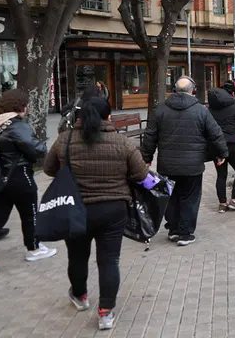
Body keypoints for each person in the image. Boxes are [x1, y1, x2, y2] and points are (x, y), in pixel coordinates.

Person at [44, 97, 151, 331]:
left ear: (80, 116)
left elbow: (48, 169)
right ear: (108, 116)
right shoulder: (122, 143)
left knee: (77, 256)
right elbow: (142, 175)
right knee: (109, 260)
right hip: (112, 210)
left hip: (74, 209)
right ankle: (105, 311)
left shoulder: (65, 140)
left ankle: (80, 296)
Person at [0, 90, 55, 273]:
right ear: (19, 106)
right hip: (19, 175)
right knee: (29, 214)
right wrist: (42, 144)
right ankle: (34, 249)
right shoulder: (16, 125)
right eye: (25, 105)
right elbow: (36, 149)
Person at [141, 76, 227, 246]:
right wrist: (222, 153)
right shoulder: (201, 111)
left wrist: (146, 158)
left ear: (174, 90)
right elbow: (215, 134)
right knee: (190, 198)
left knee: (171, 197)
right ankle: (185, 233)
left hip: (167, 165)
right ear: (192, 91)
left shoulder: (160, 110)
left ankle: (174, 229)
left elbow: (150, 136)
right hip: (192, 166)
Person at [208, 80, 235, 213]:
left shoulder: (210, 109)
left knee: (221, 175)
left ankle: (222, 204)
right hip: (233, 145)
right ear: (232, 94)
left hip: (217, 146)